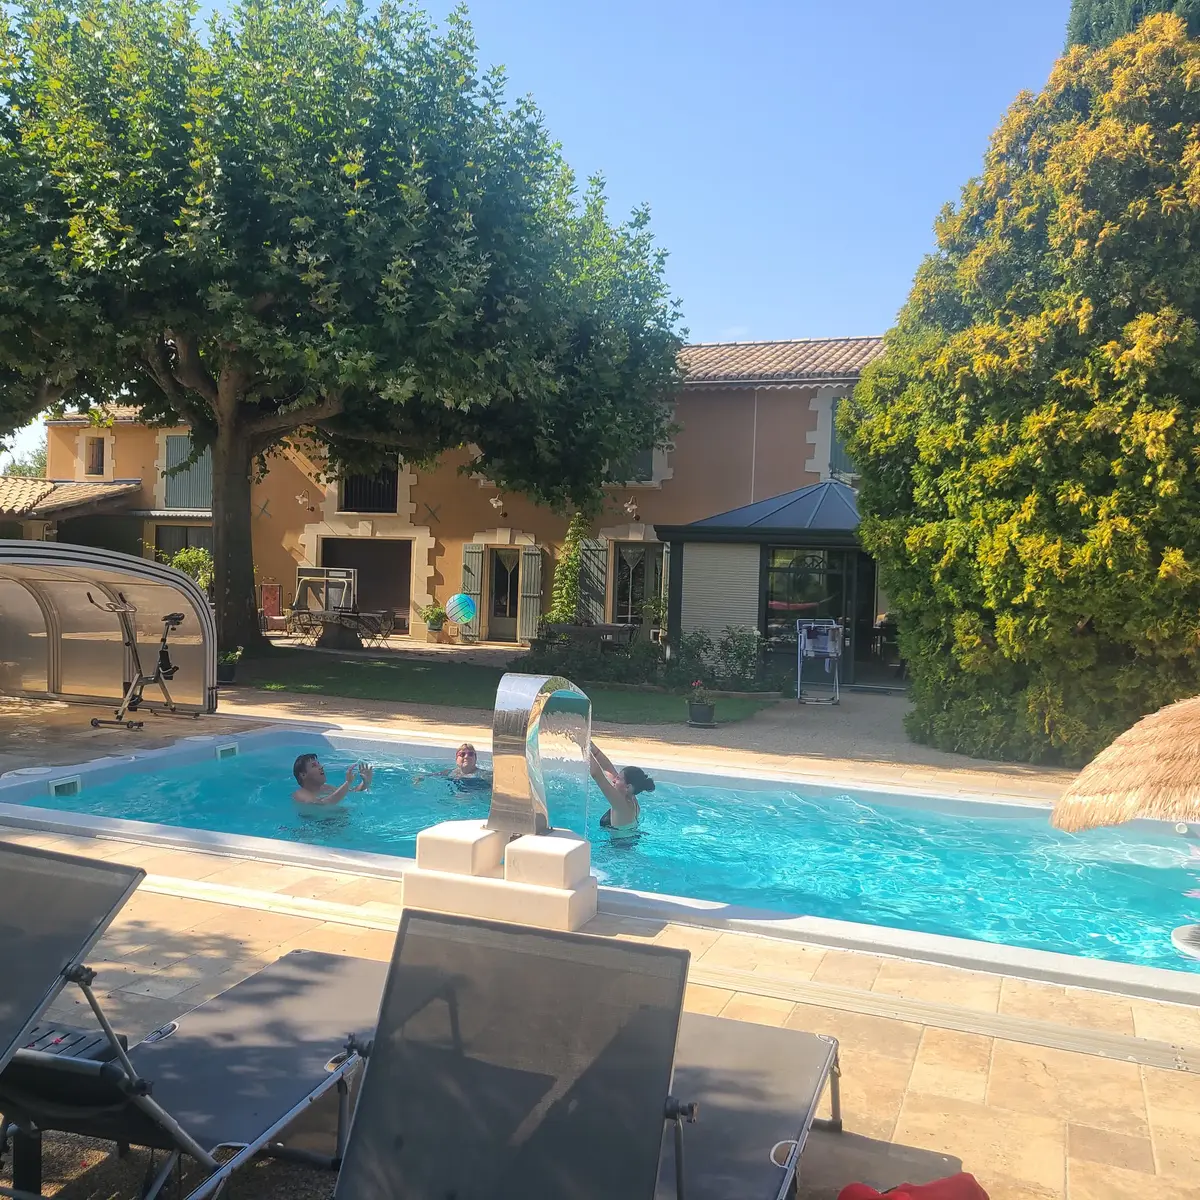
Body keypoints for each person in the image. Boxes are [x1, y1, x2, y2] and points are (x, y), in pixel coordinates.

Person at [589, 743, 654, 836]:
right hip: (628, 844)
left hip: (617, 849)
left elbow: (596, 774)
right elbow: (608, 768)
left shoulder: (620, 804)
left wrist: (584, 748)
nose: (614, 780)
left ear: (628, 787)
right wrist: (590, 745)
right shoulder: (632, 798)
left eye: (618, 778)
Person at [292, 753, 372, 807]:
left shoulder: (325, 787)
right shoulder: (300, 794)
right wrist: (347, 783)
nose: (321, 767)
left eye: (319, 764)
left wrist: (365, 782)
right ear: (303, 775)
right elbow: (323, 805)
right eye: (314, 766)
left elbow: (350, 792)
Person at [414, 743, 490, 790]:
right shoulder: (450, 772)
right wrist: (420, 778)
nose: (466, 757)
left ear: (475, 758)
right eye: (462, 754)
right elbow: (429, 775)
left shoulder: (484, 775)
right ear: (456, 758)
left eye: (470, 754)